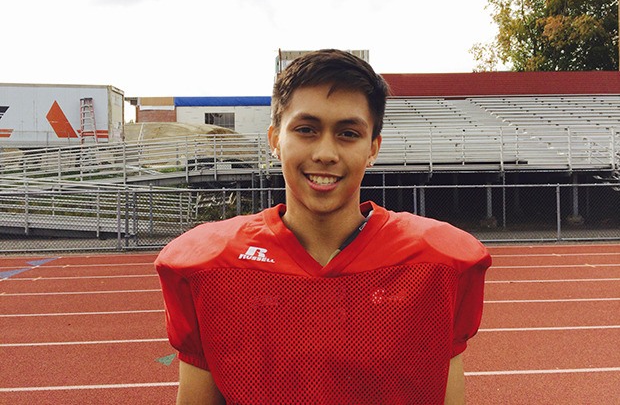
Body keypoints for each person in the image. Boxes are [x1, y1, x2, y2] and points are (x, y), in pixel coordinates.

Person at [155, 49, 492, 405]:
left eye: (348, 133)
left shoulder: (436, 265)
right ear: (275, 140)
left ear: (372, 148)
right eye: (306, 130)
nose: (326, 152)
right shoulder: (213, 266)